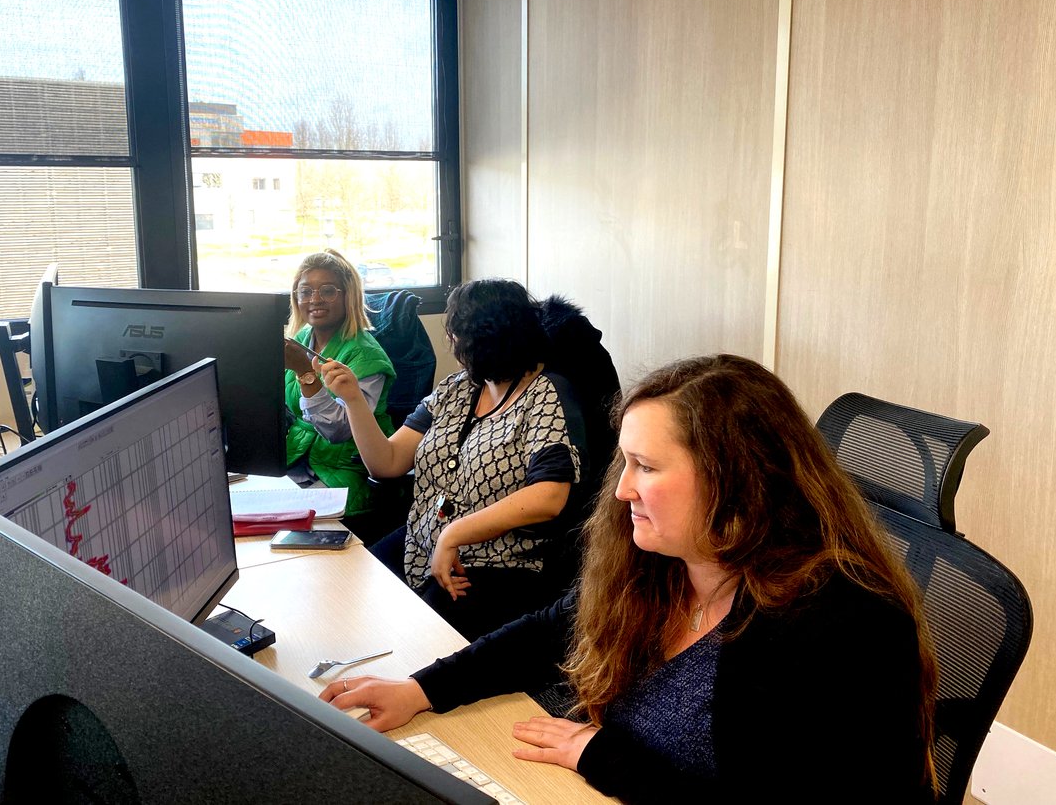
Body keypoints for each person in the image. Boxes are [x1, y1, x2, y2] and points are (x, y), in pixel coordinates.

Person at [318, 355, 938, 803]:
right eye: (626, 462)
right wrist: (419, 690)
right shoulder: (663, 563)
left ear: (738, 478)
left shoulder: (842, 625)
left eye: (646, 466)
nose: (621, 490)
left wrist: (598, 755)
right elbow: (543, 632)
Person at [315, 278, 587, 642]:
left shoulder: (546, 393)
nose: (453, 343)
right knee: (347, 594)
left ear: (488, 336)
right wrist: (352, 400)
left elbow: (548, 497)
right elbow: (388, 462)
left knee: (412, 641)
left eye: (458, 334)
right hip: (422, 542)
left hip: (497, 561)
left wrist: (454, 533)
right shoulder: (457, 387)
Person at [282, 250, 396, 533]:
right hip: (300, 461)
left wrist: (306, 375)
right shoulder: (301, 340)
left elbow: (339, 431)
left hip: (345, 472)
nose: (315, 299)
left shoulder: (366, 356)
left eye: (328, 291)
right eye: (305, 291)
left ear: (348, 297)